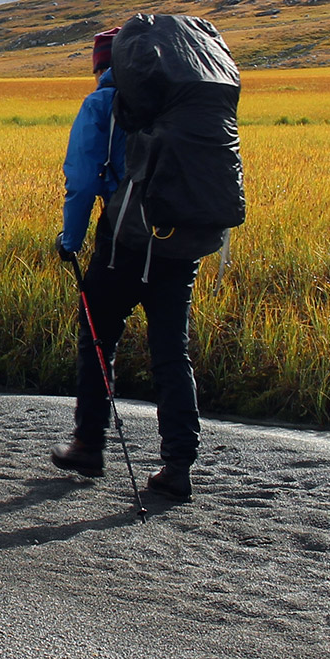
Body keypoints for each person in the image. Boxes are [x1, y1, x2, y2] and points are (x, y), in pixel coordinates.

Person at [53, 26, 204, 500]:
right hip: (178, 245)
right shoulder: (181, 101)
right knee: (170, 353)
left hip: (122, 243)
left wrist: (70, 239)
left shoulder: (104, 103)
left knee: (97, 340)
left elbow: (81, 180)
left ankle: (89, 444)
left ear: (102, 62)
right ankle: (178, 465)